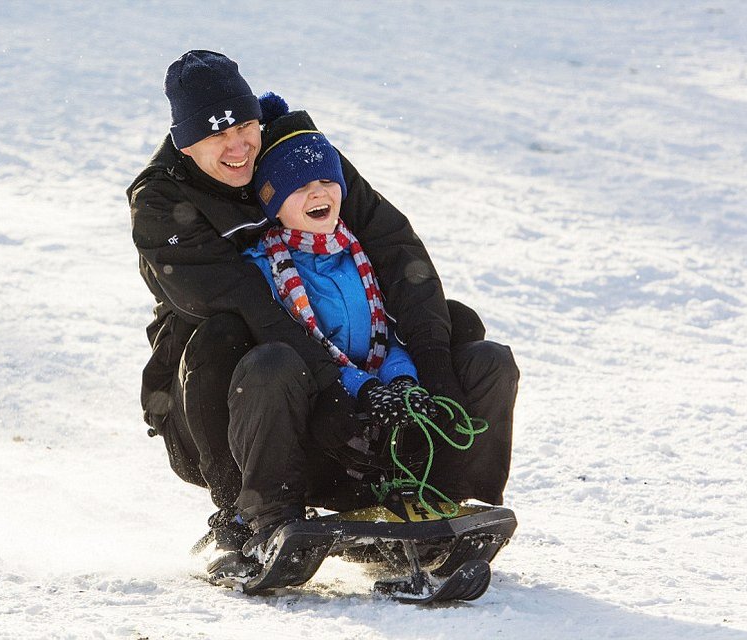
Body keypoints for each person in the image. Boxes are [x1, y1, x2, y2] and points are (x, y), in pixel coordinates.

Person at [126, 50, 518, 581]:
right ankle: (250, 516)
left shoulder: (296, 155)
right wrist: (336, 389)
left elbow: (396, 249)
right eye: (218, 136)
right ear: (185, 140)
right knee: (229, 338)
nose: (239, 146)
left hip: (345, 380)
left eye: (245, 126)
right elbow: (252, 307)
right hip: (230, 400)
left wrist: (435, 367)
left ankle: (445, 504)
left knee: (457, 328)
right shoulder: (162, 201)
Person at [234, 110, 520, 562]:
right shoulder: (262, 269)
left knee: (490, 359)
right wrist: (361, 391)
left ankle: (450, 506)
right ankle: (270, 521)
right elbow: (298, 353)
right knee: (272, 368)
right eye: (300, 185)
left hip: (381, 424)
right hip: (321, 424)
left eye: (327, 181)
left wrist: (403, 382)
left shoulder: (362, 257)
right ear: (272, 202)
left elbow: (384, 341)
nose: (319, 193)